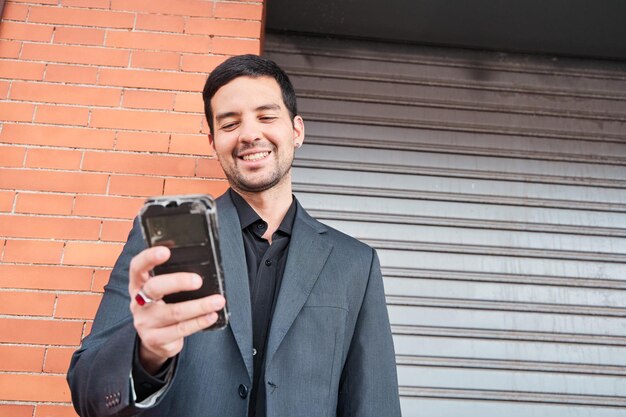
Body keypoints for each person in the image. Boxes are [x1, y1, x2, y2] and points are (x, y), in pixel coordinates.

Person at [67, 54, 401, 417]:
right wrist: (146, 353)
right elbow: (89, 391)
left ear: (297, 131)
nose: (249, 134)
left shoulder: (355, 263)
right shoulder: (162, 241)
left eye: (266, 116)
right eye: (230, 124)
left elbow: (373, 403)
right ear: (213, 142)